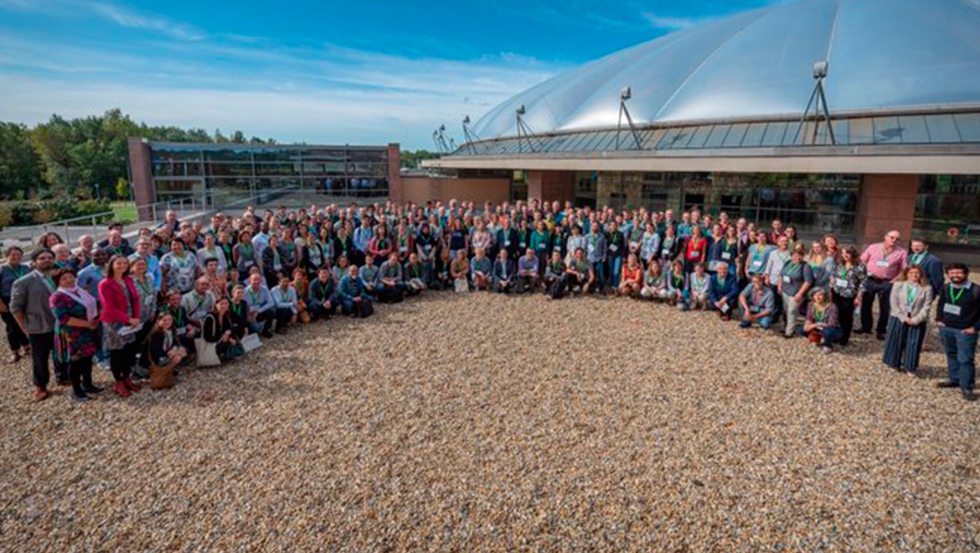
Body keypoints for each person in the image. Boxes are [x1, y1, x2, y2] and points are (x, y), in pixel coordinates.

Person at [11, 249, 64, 401]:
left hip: (59, 324)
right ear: (33, 262)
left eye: (50, 258)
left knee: (60, 352)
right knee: (40, 358)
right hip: (38, 326)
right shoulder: (23, 282)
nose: (47, 260)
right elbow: (15, 308)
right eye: (42, 258)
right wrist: (24, 328)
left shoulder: (57, 277)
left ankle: (62, 377)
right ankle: (40, 385)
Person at [49, 268, 102, 402]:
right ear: (58, 282)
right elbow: (63, 318)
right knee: (75, 362)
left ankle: (88, 384)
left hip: (88, 330)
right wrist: (88, 324)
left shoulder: (80, 290)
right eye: (64, 278)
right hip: (71, 333)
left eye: (71, 277)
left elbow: (93, 305)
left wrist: (95, 320)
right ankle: (76, 390)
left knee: (88, 358)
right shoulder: (57, 297)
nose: (69, 280)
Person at [98, 255, 142, 398]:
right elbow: (108, 307)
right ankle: (119, 381)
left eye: (125, 263)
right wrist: (127, 318)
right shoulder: (105, 283)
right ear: (111, 265)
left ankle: (127, 376)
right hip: (114, 322)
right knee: (117, 352)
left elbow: (135, 299)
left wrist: (135, 317)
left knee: (129, 351)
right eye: (119, 263)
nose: (122, 265)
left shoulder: (128, 279)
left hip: (130, 321)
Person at [935, 263, 980, 401]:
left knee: (965, 359)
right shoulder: (946, 287)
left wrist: (975, 328)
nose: (955, 276)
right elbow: (941, 303)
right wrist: (939, 319)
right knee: (951, 354)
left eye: (958, 273)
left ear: (966, 274)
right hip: (947, 328)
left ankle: (967, 386)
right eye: (951, 273)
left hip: (965, 331)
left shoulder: (976, 290)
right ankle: (954, 379)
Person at [859, 230, 908, 340]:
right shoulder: (873, 247)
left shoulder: (902, 252)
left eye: (897, 239)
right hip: (870, 280)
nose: (894, 240)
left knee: (885, 307)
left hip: (887, 282)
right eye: (892, 237)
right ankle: (866, 327)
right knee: (866, 305)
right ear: (885, 237)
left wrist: (895, 280)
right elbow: (862, 260)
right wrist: (863, 274)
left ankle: (881, 331)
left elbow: (904, 269)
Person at [883, 266, 933, 375]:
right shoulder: (898, 285)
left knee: (913, 343)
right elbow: (893, 303)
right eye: (911, 272)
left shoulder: (927, 288)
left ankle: (910, 367)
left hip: (917, 319)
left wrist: (916, 319)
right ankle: (893, 363)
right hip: (898, 317)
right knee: (896, 341)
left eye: (917, 273)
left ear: (921, 275)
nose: (914, 275)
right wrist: (903, 318)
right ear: (906, 273)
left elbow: (927, 306)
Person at [829, 246, 866, 347]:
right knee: (837, 315)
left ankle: (845, 338)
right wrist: (832, 280)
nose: (845, 255)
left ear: (853, 254)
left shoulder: (860, 266)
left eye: (848, 253)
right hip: (837, 293)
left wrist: (859, 296)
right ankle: (838, 335)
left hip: (849, 295)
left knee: (847, 317)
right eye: (844, 253)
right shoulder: (838, 263)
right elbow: (832, 274)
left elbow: (863, 283)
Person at [1, 246, 30, 363]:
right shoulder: (2, 269)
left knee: (23, 323)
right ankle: (14, 351)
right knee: (12, 327)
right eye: (13, 254)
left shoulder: (25, 268)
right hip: (8, 300)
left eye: (19, 255)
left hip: (25, 299)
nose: (16, 257)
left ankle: (27, 346)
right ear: (6, 256)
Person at [137, 312, 188, 377]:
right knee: (177, 356)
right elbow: (158, 353)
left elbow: (177, 343)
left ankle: (168, 369)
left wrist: (175, 350)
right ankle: (164, 371)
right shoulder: (156, 335)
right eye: (164, 320)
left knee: (183, 351)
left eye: (169, 320)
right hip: (152, 363)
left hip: (163, 357)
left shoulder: (171, 331)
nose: (167, 322)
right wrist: (173, 353)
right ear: (158, 321)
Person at [803, 288, 842, 353]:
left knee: (827, 332)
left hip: (831, 328)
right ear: (812, 296)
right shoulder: (810, 304)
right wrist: (809, 325)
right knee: (802, 330)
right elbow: (809, 318)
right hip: (817, 325)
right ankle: (816, 339)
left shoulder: (832, 306)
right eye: (815, 295)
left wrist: (816, 325)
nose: (818, 297)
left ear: (824, 296)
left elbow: (832, 323)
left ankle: (828, 345)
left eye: (820, 295)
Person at [243, 273, 276, 338]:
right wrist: (248, 314)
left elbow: (271, 302)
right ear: (250, 280)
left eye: (258, 280)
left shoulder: (264, 289)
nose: (257, 282)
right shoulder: (245, 291)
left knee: (272, 310)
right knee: (254, 330)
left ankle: (266, 330)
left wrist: (258, 311)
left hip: (259, 311)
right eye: (254, 279)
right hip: (248, 314)